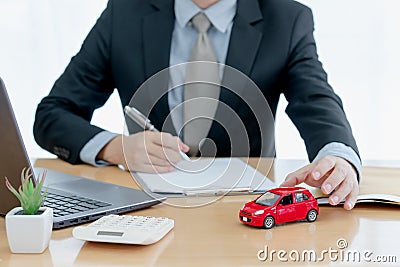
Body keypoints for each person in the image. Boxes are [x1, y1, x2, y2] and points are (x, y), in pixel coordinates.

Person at [34, 0, 361, 210]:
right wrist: (115, 148)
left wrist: (339, 157)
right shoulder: (125, 12)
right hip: (145, 209)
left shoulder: (286, 18)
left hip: (245, 208)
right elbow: (53, 113)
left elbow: (316, 100)